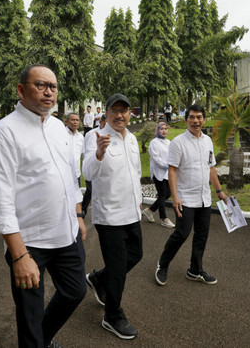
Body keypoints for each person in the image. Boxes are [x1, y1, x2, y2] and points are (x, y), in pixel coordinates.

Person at [0, 64, 87, 348]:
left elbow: (70, 176)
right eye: (40, 85)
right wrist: (19, 256)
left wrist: (78, 215)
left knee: (75, 292)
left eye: (52, 87)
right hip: (29, 242)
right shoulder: (4, 133)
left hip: (66, 233)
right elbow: (0, 199)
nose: (48, 92)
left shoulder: (58, 128)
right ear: (21, 89)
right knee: (29, 318)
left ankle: (43, 338)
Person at [83, 93, 143, 340]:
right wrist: (98, 153)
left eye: (124, 110)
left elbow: (136, 172)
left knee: (136, 255)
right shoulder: (96, 137)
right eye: (115, 110)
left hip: (132, 211)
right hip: (109, 215)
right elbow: (87, 172)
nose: (120, 115)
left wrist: (139, 199)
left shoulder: (132, 139)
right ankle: (112, 316)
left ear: (130, 113)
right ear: (105, 114)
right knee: (118, 269)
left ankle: (99, 278)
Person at [154, 104, 227, 286]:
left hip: (204, 197)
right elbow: (172, 170)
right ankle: (162, 264)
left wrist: (219, 191)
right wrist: (175, 196)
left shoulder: (208, 141)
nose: (196, 121)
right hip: (185, 197)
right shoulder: (178, 142)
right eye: (192, 117)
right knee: (182, 233)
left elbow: (211, 168)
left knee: (202, 234)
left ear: (203, 119)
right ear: (186, 119)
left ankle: (195, 270)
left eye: (199, 117)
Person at [143, 122, 175, 228]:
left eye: (166, 128)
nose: (164, 130)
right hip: (158, 172)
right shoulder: (154, 143)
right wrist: (165, 165)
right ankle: (164, 219)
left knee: (167, 194)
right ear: (157, 130)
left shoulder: (168, 142)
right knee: (162, 195)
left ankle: (150, 210)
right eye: (161, 129)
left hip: (167, 173)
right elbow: (156, 158)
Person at [81, 114, 105, 217]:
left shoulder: (112, 134)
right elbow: (85, 149)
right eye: (105, 124)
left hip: (102, 169)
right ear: (100, 122)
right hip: (91, 164)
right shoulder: (90, 134)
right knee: (90, 189)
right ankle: (83, 210)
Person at [65, 112, 84, 186]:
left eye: (77, 120)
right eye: (73, 120)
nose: (75, 122)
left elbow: (84, 155)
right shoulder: (60, 134)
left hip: (76, 175)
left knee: (76, 196)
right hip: (63, 175)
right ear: (66, 122)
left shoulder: (80, 137)